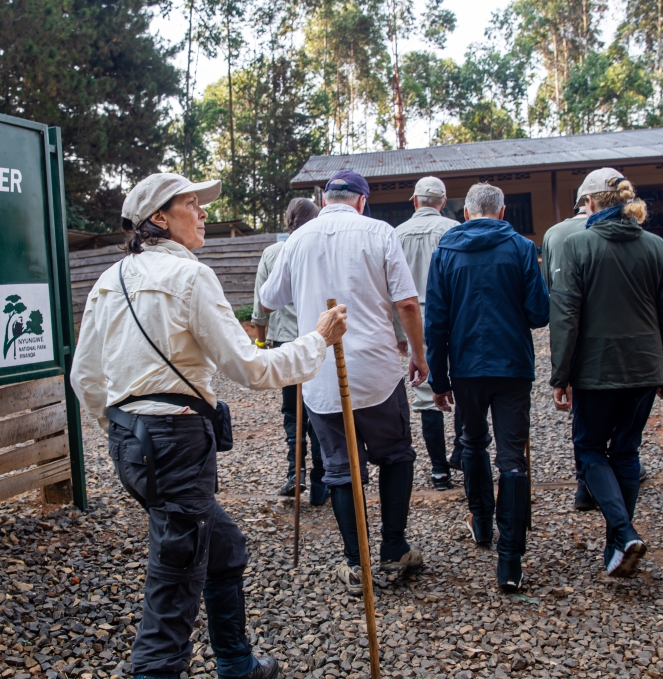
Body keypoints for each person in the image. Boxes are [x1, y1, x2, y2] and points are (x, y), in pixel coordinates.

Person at [71, 172, 348, 679]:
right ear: (159, 218)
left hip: (131, 444)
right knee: (173, 592)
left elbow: (85, 378)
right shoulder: (191, 277)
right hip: (174, 446)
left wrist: (127, 428)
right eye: (192, 204)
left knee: (223, 547)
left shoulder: (108, 281)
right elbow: (251, 369)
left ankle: (237, 665)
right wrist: (318, 339)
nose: (203, 214)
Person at [260, 168, 428, 596]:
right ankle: (392, 547)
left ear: (326, 197)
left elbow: (270, 298)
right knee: (394, 455)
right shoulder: (379, 231)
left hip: (320, 376)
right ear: (361, 200)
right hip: (377, 369)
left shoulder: (297, 239)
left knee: (339, 469)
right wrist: (420, 356)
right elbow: (406, 302)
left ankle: (357, 564)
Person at [549, 171, 663, 578]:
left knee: (589, 450)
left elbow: (565, 315)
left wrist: (560, 375)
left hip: (596, 369)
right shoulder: (655, 246)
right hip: (644, 366)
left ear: (589, 203)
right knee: (625, 451)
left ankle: (622, 532)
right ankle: (617, 546)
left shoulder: (577, 245)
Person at [424, 183, 549, 592]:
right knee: (512, 458)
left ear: (465, 214)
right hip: (512, 365)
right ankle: (510, 561)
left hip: (466, 367)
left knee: (473, 441)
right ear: (501, 210)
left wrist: (438, 380)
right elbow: (538, 313)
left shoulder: (445, 252)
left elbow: (436, 323)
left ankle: (481, 521)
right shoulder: (521, 248)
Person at [252, 198, 329, 504]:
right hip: (319, 338)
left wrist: (260, 341)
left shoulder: (272, 253)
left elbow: (261, 304)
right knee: (319, 407)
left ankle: (294, 472)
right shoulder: (322, 248)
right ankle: (322, 480)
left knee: (292, 411)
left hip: (285, 343)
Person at [539, 176, 608, 512]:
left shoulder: (555, 234)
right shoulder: (636, 236)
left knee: (585, 417)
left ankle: (586, 482)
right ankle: (613, 478)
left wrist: (559, 372)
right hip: (616, 333)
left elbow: (552, 293)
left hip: (574, 336)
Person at [393, 176, 461, 491]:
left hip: (414, 318)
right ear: (443, 202)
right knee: (462, 385)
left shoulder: (395, 234)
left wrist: (399, 333)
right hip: (451, 317)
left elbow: (390, 288)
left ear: (415, 201)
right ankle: (463, 451)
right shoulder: (454, 230)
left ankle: (438, 471)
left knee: (425, 396)